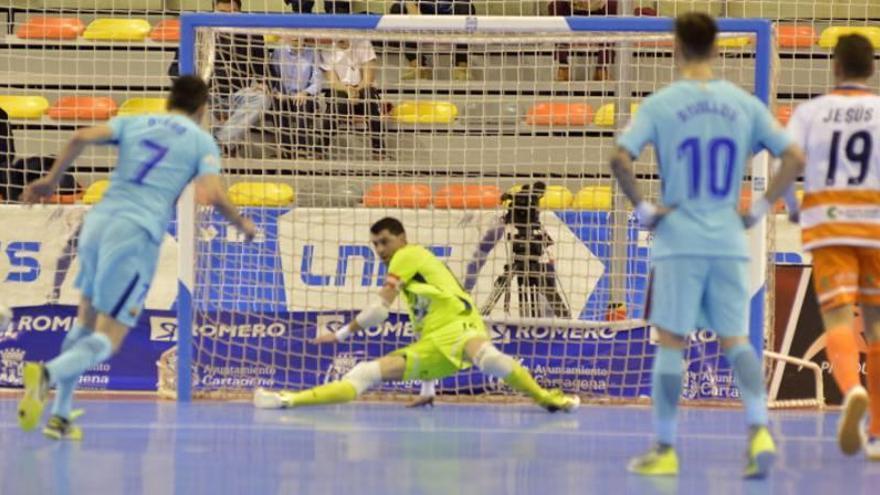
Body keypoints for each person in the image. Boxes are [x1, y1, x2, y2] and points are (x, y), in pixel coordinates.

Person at [609, 13, 805, 478]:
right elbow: (794, 156)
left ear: (677, 47)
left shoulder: (660, 103)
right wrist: (759, 210)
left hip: (679, 238)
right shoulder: (742, 103)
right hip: (728, 237)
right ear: (717, 48)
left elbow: (619, 158)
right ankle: (758, 430)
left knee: (672, 344)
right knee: (737, 341)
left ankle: (666, 447)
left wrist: (644, 209)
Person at [16, 75, 257, 440]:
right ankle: (48, 375)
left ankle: (61, 415)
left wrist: (50, 181)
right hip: (134, 233)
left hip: (96, 221)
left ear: (169, 100)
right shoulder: (199, 140)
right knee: (110, 337)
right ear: (203, 107)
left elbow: (80, 136)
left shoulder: (137, 121)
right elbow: (209, 193)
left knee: (86, 318)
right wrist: (241, 222)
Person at [253, 217, 580, 413]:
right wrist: (427, 390)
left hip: (460, 324)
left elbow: (379, 310)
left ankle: (549, 399)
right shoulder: (416, 278)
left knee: (488, 359)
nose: (380, 250)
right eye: (375, 245)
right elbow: (426, 333)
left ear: (401, 239)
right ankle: (286, 400)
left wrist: (340, 334)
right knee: (365, 373)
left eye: (384, 242)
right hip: (437, 340)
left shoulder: (407, 256)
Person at [784, 33, 880, 460]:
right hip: (875, 226)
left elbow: (787, 164)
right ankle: (877, 432)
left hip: (829, 227)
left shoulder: (811, 112)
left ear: (836, 67)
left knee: (838, 318)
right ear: (871, 69)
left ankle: (852, 389)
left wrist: (790, 207)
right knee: (876, 328)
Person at [168, 0, 270, 154]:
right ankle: (223, 145)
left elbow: (264, 70)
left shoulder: (252, 35)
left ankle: (219, 141)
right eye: (223, 12)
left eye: (233, 12)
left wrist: (263, 83)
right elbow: (174, 70)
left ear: (240, 12)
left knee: (262, 97)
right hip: (205, 95)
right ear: (214, 9)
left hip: (237, 97)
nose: (228, 17)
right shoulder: (197, 32)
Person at [319, 39, 388, 159]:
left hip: (363, 86)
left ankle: (379, 151)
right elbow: (333, 82)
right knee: (336, 106)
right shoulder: (327, 50)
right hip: (341, 88)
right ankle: (320, 149)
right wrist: (348, 90)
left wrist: (356, 90)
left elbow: (368, 78)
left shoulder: (363, 44)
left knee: (371, 103)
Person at [388, 0, 476, 81]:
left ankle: (461, 68)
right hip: (422, 10)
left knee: (466, 7)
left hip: (449, 11)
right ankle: (418, 67)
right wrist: (412, 8)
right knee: (397, 9)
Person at [271, 37, 327, 159]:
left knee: (306, 103)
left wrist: (305, 93)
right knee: (275, 103)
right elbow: (273, 76)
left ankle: (301, 148)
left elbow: (317, 81)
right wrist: (277, 91)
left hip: (303, 95)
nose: (295, 37)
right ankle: (286, 149)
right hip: (283, 96)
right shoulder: (278, 52)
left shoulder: (313, 53)